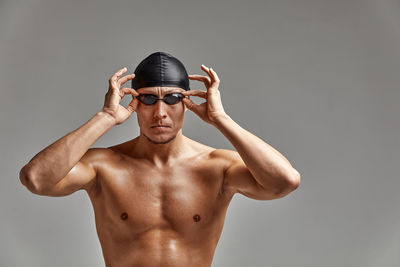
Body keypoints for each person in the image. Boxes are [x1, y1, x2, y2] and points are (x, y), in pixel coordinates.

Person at [19, 51, 301, 267]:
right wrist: (104, 118)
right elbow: (36, 179)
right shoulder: (103, 168)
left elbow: (284, 182)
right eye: (149, 100)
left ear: (187, 103)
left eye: (173, 99)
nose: (160, 113)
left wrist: (220, 119)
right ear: (134, 103)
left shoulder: (217, 167)